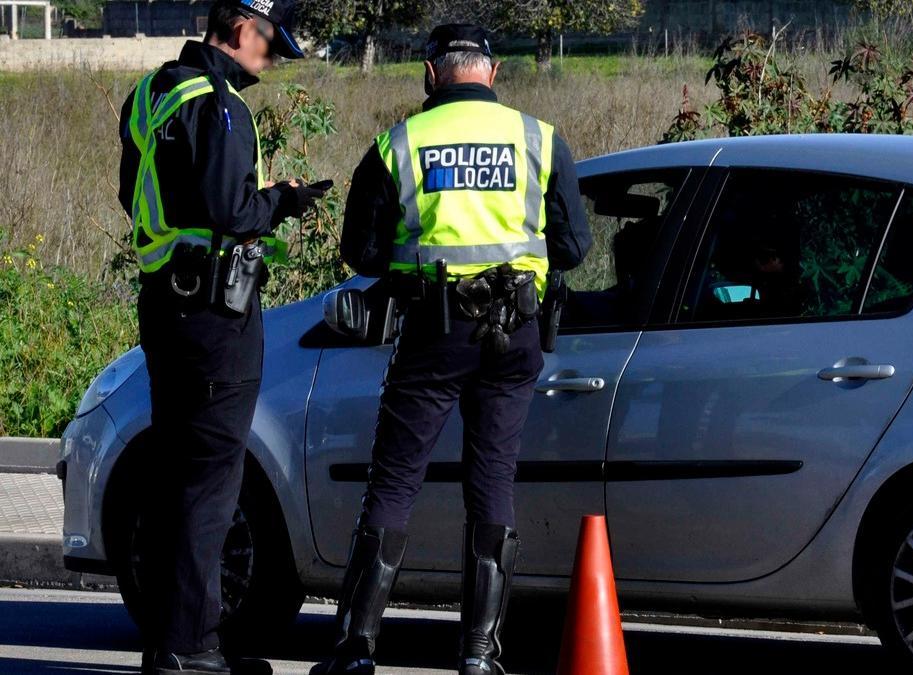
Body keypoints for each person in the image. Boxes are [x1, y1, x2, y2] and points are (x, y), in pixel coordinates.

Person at [311, 23, 591, 675]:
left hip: (434, 333)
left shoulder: (398, 144)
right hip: (513, 332)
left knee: (394, 481)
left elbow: (362, 250)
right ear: (491, 72)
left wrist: (414, 260)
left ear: (432, 74)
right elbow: (574, 247)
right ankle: (479, 652)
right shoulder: (540, 140)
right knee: (491, 482)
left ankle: (355, 648)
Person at [116, 2, 327, 673]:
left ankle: (169, 640)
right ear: (241, 28)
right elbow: (232, 211)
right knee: (211, 482)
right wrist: (284, 199)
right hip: (215, 316)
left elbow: (136, 194)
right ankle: (192, 647)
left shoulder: (151, 92)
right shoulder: (221, 104)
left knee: (177, 474)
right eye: (270, 44)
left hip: (163, 304)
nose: (271, 59)